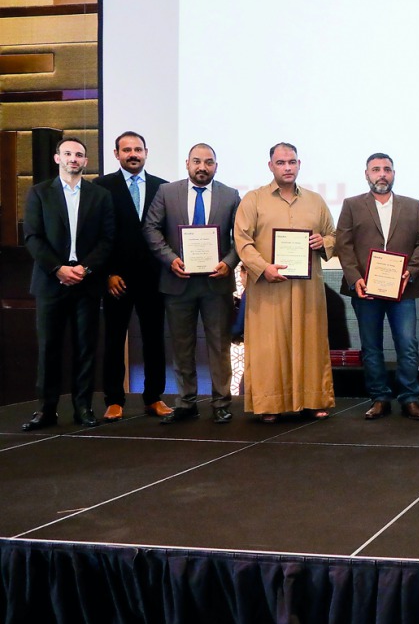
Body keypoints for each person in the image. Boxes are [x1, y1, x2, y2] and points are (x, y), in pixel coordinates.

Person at [234, 142, 337, 422]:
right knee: (269, 346)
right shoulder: (253, 199)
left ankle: (313, 400)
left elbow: (334, 235)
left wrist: (324, 241)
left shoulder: (316, 201)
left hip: (307, 289)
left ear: (299, 164)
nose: (287, 168)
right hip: (268, 287)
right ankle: (269, 404)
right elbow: (242, 241)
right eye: (281, 163)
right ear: (271, 166)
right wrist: (263, 268)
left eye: (292, 162)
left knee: (310, 342)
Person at [142, 143, 241, 424]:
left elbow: (242, 236)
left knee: (219, 346)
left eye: (208, 162)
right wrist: (170, 259)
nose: (202, 167)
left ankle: (221, 402)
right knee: (182, 346)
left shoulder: (230, 195)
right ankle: (186, 402)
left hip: (216, 283)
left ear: (216, 166)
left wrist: (229, 262)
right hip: (178, 281)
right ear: (187, 163)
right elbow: (150, 228)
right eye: (197, 161)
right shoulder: (167, 192)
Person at [22, 137, 115, 430]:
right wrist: (58, 269)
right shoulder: (39, 193)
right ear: (57, 158)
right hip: (51, 283)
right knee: (48, 348)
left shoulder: (100, 196)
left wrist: (84, 269)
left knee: (86, 348)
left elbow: (107, 239)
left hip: (87, 282)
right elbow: (32, 237)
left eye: (79, 155)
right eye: (68, 154)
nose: (73, 158)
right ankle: (46, 410)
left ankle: (83, 407)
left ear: (85, 161)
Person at [335, 152, 419, 421]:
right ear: (367, 174)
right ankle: (379, 398)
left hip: (403, 289)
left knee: (407, 345)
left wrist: (411, 271)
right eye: (376, 169)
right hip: (365, 288)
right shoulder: (352, 205)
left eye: (387, 169)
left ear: (393, 174)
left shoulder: (413, 206)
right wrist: (355, 278)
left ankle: (410, 398)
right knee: (371, 347)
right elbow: (343, 245)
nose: (382, 174)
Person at [95, 131, 171, 422]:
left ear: (146, 152)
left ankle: (154, 397)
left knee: (154, 339)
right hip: (117, 279)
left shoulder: (163, 187)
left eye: (138, 149)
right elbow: (96, 235)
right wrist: (106, 274)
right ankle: (114, 400)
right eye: (126, 150)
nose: (133, 154)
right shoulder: (101, 187)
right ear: (116, 154)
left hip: (154, 277)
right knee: (114, 339)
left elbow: (167, 232)